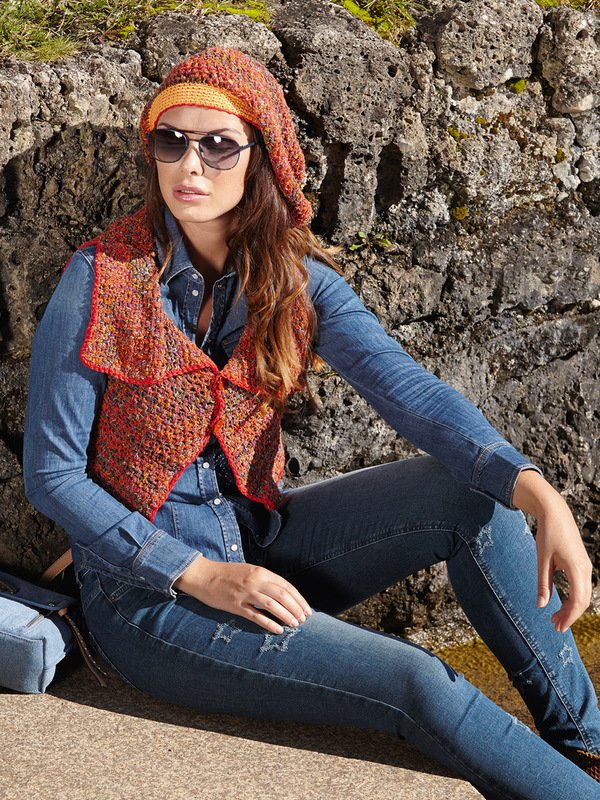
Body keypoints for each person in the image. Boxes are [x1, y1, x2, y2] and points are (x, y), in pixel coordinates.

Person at [23, 47, 600, 798]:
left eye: (218, 144)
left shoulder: (295, 280)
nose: (189, 165)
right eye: (171, 141)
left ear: (261, 157)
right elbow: (54, 475)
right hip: (152, 602)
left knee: (474, 498)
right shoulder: (100, 278)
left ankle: (585, 746)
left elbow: (409, 392)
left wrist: (538, 491)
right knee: (415, 681)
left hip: (264, 545)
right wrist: (199, 574)